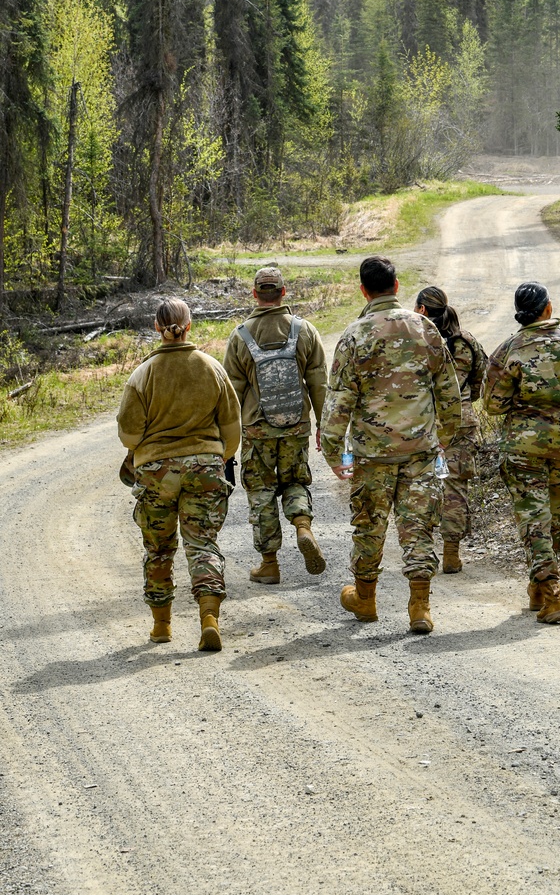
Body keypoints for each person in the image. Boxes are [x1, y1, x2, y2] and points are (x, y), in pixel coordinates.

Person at [320, 255, 462, 633]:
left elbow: (339, 400)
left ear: (364, 290)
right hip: (421, 451)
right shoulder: (427, 329)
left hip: (372, 454)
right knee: (417, 527)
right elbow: (449, 392)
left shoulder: (355, 335)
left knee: (369, 526)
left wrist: (334, 453)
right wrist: (443, 438)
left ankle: (365, 600)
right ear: (397, 286)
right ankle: (420, 607)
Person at [117, 298, 241, 651]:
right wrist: (215, 459)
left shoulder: (142, 375)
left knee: (158, 548)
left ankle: (161, 627)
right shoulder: (211, 367)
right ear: (190, 326)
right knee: (202, 542)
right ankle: (209, 619)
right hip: (205, 466)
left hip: (156, 472)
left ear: (157, 328)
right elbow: (232, 431)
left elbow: (128, 435)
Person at [483, 281, 560, 625]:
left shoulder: (508, 351)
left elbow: (493, 404)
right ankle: (539, 588)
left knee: (533, 519)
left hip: (524, 447)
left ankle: (550, 593)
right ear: (548, 309)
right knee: (554, 515)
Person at [223, 266, 328, 586]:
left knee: (261, 491)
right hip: (296, 425)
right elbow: (320, 383)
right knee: (296, 481)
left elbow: (231, 393)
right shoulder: (305, 330)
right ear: (283, 293)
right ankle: (303, 527)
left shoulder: (240, 336)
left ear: (255, 294)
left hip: (257, 429)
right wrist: (323, 424)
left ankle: (269, 564)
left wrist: (226, 442)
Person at [414, 285, 487, 574]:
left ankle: (421, 552)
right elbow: (480, 379)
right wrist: (466, 402)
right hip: (461, 421)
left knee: (420, 487)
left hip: (425, 421)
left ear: (422, 309)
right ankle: (452, 554)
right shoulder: (467, 341)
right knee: (455, 487)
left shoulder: (418, 340)